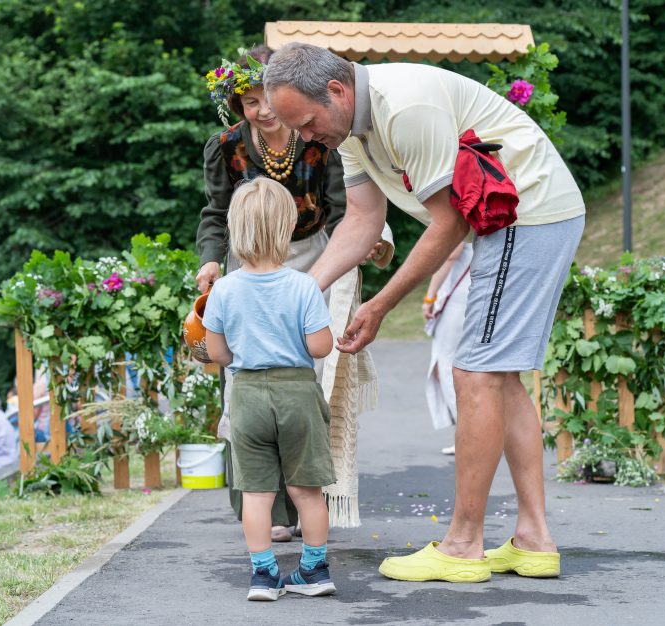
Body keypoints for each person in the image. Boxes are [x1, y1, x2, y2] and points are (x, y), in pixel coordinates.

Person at [265, 43, 585, 583]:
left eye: (307, 122)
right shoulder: (348, 130)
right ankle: (533, 539)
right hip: (513, 221)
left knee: (475, 372)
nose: (304, 136)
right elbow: (363, 222)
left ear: (337, 92)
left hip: (524, 214)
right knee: (498, 374)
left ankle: (462, 545)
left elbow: (449, 223)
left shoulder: (404, 106)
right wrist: (302, 291)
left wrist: (381, 304)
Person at [196, 46, 392, 540]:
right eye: (249, 102)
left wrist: (367, 243)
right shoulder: (224, 147)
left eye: (268, 99)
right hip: (248, 264)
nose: (262, 111)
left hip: (313, 258)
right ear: (236, 105)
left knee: (310, 377)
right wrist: (211, 262)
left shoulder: (317, 137)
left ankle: (313, 498)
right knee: (244, 378)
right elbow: (215, 214)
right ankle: (263, 508)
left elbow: (345, 205)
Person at [203, 177, 337, 601]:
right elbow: (321, 345)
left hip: (247, 396)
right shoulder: (303, 286)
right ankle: (314, 570)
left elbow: (216, 352)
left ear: (235, 230)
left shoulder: (223, 289)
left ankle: (264, 575)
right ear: (287, 229)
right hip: (297, 391)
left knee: (257, 493)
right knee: (307, 490)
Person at [422, 242, 473, 456]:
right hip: (470, 290)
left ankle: (468, 436)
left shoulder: (458, 210)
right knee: (459, 366)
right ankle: (470, 433)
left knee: (446, 366)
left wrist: (430, 296)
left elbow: (451, 252)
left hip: (457, 297)